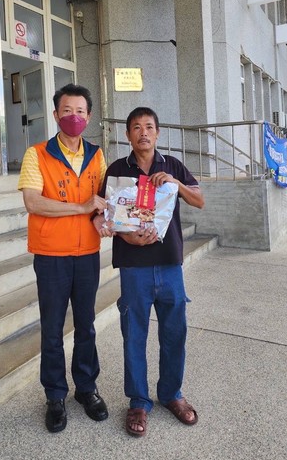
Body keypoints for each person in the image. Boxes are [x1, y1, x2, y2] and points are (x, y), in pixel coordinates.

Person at [94, 107, 204, 437]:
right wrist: (120, 233)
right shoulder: (116, 170)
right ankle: (139, 401)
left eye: (149, 127)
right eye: (136, 127)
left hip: (169, 265)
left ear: (157, 133)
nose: (143, 132)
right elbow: (102, 213)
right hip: (134, 267)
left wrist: (175, 183)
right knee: (134, 335)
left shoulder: (172, 166)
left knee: (174, 333)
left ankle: (171, 394)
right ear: (127, 135)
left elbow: (199, 200)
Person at [18, 83, 108, 433]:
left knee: (86, 324)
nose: (74, 117)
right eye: (67, 111)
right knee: (52, 329)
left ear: (89, 116)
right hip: (51, 255)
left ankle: (86, 388)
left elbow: (103, 200)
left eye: (80, 111)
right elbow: (33, 201)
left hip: (87, 254)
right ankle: (55, 395)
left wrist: (102, 217)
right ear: (56, 115)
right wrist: (81, 207)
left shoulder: (97, 156)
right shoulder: (37, 154)